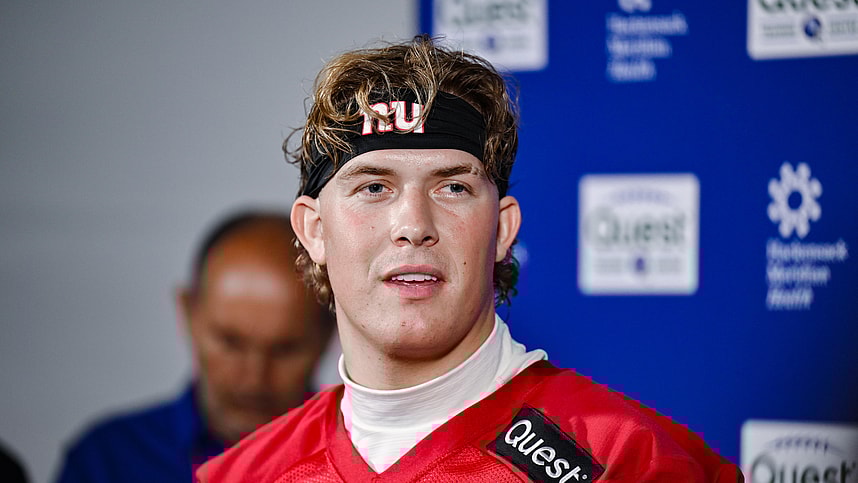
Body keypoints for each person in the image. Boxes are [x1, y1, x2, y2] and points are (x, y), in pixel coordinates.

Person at [197, 36, 743, 482]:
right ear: (315, 230)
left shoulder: (631, 460)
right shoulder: (240, 476)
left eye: (453, 187)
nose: (413, 225)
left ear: (502, 229)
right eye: (374, 188)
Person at [56, 210, 334, 483]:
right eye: (230, 343)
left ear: (329, 335)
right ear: (188, 313)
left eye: (285, 350)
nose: (253, 379)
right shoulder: (107, 462)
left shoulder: (358, 463)